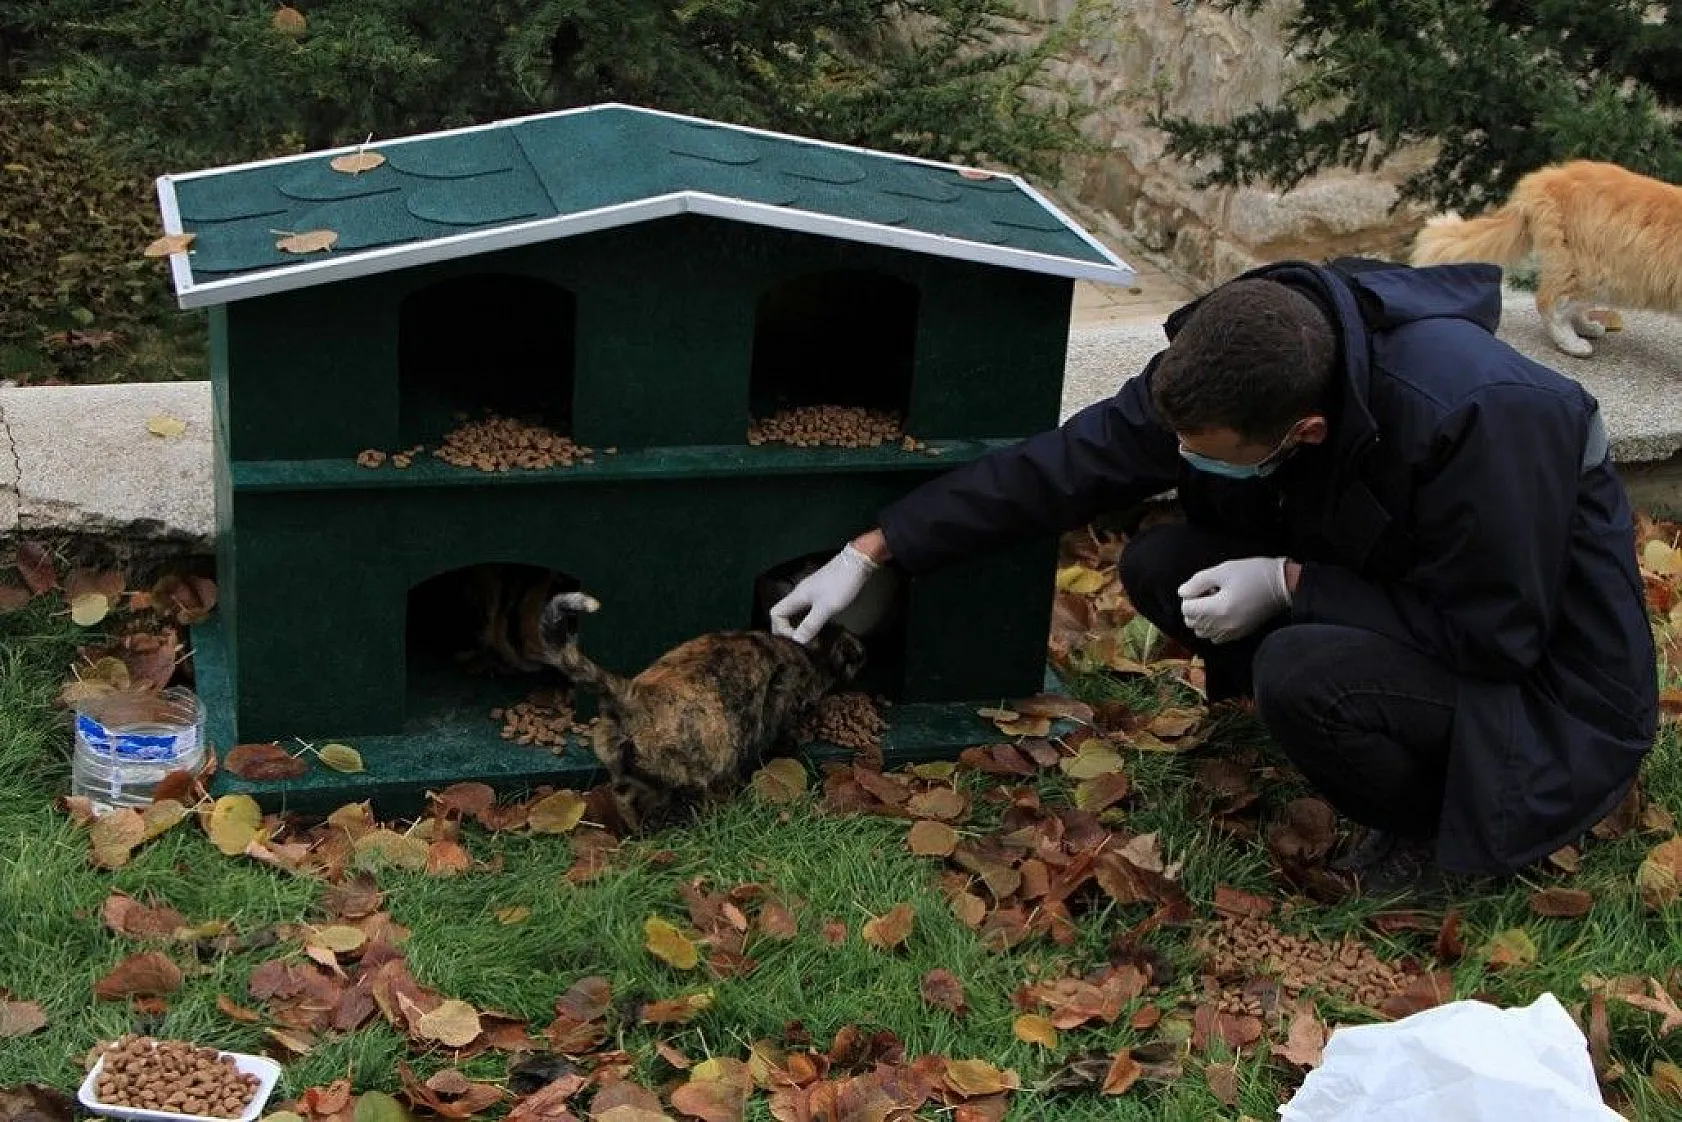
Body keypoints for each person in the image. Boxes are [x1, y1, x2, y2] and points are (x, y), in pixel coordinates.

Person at [770, 257, 1659, 895]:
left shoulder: (1480, 420)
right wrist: (876, 547)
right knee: (1162, 561)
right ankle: (1311, 728)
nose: (1185, 459)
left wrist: (1291, 582)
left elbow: (1496, 633)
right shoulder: (1238, 358)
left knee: (1299, 674)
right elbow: (1067, 466)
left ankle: (1426, 827)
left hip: (1548, 689)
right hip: (1403, 589)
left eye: (1208, 453)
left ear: (1303, 431)